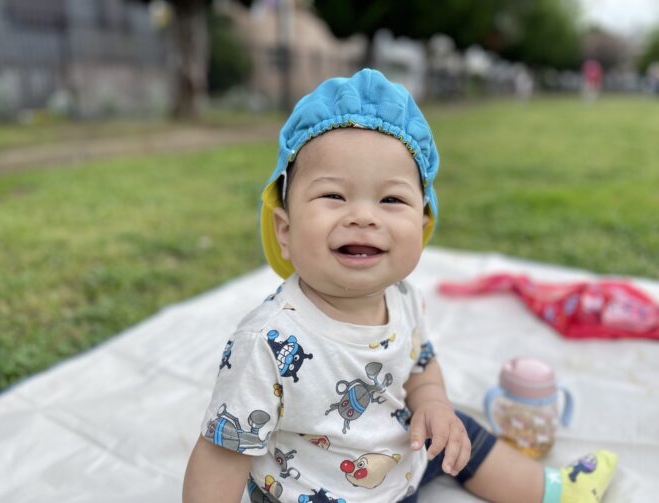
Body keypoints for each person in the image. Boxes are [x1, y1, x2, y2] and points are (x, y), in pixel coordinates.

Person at [183, 69, 618, 503]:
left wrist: (433, 403)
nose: (364, 217)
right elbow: (222, 455)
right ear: (285, 229)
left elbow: (421, 364)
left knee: (460, 431)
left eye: (391, 200)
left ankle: (553, 491)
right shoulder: (265, 343)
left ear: (423, 224)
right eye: (334, 195)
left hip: (402, 463)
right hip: (315, 493)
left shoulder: (404, 297)